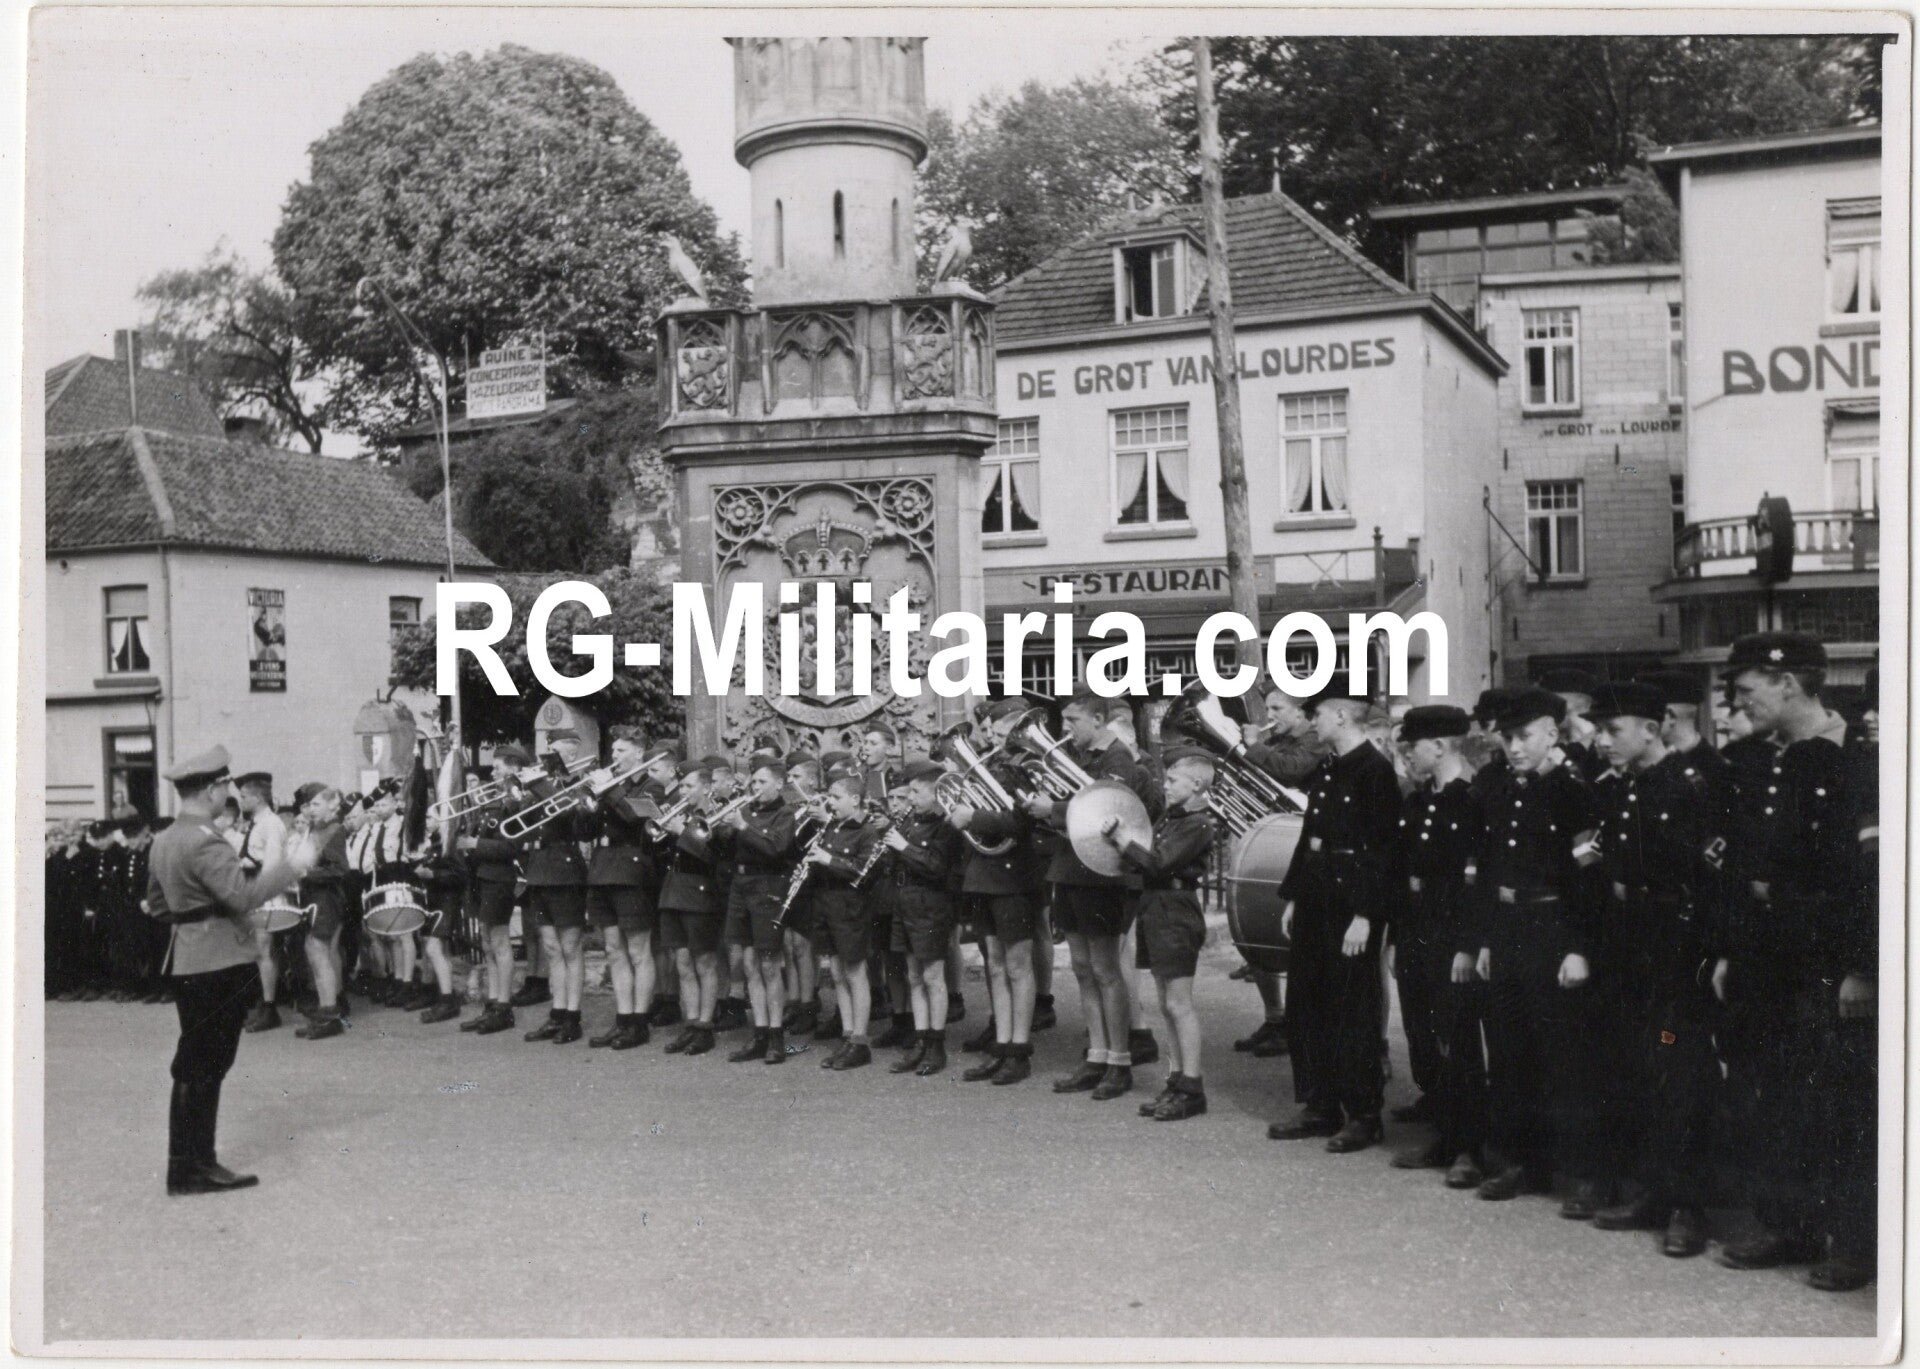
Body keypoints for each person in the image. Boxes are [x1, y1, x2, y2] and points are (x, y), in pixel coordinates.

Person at [1712, 633, 1877, 1291]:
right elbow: (1745, 864)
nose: (1738, 700)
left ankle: (1854, 1241)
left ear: (1787, 683)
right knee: (1776, 1095)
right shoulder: (1763, 761)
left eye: (1747, 688)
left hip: (1828, 961)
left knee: (1840, 1103)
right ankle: (1790, 1223)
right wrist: (1731, 950)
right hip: (1767, 956)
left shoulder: (1858, 759)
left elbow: (1871, 875)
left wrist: (1864, 965)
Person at [1578, 682, 1726, 1257]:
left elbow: (1714, 880)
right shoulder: (1620, 791)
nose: (1602, 741)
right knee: (1638, 1066)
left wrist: (1711, 955)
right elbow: (1597, 860)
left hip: (1676, 954)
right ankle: (1653, 1191)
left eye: (1614, 730)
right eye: (1600, 730)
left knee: (1680, 1070)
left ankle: (1689, 1204)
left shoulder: (1692, 788)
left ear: (1652, 727)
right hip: (1627, 949)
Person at [144, 745, 312, 1193]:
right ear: (213, 789)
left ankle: (188, 1163)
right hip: (220, 960)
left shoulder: (164, 840)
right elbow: (241, 897)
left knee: (194, 1061)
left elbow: (157, 906)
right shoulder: (205, 840)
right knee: (209, 1063)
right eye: (224, 785)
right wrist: (291, 868)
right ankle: (195, 1166)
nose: (227, 792)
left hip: (187, 958)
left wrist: (191, 913)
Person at [1471, 687, 1607, 1210]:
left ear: (1552, 732)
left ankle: (1582, 1170)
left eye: (1523, 735)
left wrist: (1578, 947)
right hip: (1509, 928)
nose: (1514, 746)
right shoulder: (1503, 788)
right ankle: (1526, 1162)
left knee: (1566, 1055)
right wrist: (1485, 938)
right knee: (1511, 1052)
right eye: (1507, 737)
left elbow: (1588, 879)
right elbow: (1491, 869)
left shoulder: (1575, 792)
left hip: (1554, 928)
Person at [1267, 687, 1401, 1153]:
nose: (1313, 722)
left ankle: (1363, 1113)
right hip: (1318, 895)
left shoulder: (1375, 771)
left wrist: (1367, 915)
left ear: (1342, 716)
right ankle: (1320, 1103)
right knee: (1308, 1001)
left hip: (1351, 903)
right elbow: (1311, 835)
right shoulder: (1328, 768)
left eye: (1318, 714)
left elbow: (1384, 851)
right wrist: (1294, 897)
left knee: (1352, 1007)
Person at [1027, 693, 1156, 1101]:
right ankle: (1097, 1054)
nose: (1065, 729)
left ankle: (1119, 1060)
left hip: (1102, 875)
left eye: (1073, 720)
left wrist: (1052, 807)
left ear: (1099, 719)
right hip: (1071, 868)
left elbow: (1107, 811)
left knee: (1105, 969)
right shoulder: (1080, 755)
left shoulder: (1118, 759)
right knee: (1082, 966)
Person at [1387, 705, 1489, 1188]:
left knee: (1459, 1040)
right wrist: (1396, 939)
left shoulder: (1472, 800)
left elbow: (1476, 883)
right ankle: (1444, 1132)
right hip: (1417, 933)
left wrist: (1468, 946)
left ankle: (1468, 1144)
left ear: (1441, 746)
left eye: (1413, 747)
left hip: (1452, 936)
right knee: (1423, 1034)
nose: (1407, 755)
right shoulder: (1417, 802)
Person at [1103, 747, 1216, 1120]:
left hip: (1176, 912)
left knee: (1179, 1004)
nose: (1164, 786)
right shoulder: (1174, 816)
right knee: (1167, 1005)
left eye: (1172, 780)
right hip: (1157, 909)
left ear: (1197, 784)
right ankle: (1178, 1079)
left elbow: (1159, 862)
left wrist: (1122, 840)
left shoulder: (1198, 823)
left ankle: (1192, 1087)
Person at [943, 699, 1045, 1085]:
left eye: (999, 731)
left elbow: (1023, 822)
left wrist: (974, 817)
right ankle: (1001, 1045)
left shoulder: (1026, 768)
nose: (992, 737)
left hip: (1014, 876)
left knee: (1017, 965)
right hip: (983, 875)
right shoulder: (988, 767)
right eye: (990, 731)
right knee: (995, 965)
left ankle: (1019, 1049)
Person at [1233, 688, 1325, 1056]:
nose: (1269, 714)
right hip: (1270, 838)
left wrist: (1254, 747)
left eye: (1277, 708)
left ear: (1300, 711)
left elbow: (1293, 770)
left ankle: (1294, 1024)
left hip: (1297, 841)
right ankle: (1275, 1017)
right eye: (1268, 707)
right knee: (1259, 929)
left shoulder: (1315, 739)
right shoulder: (1276, 740)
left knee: (1292, 937)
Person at [876, 760, 965, 1076]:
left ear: (935, 792)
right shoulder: (910, 822)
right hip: (905, 903)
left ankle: (936, 1045)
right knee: (914, 975)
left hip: (930, 904)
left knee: (931, 976)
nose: (910, 798)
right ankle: (921, 1040)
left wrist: (903, 847)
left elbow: (938, 867)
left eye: (915, 791)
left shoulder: (946, 825)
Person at [583, 732, 664, 1051]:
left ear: (639, 753)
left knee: (638, 950)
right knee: (614, 950)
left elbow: (634, 817)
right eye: (612, 749)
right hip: (602, 870)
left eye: (621, 750)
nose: (613, 755)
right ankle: (623, 1018)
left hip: (632, 873)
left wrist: (609, 788)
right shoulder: (610, 786)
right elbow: (585, 831)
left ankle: (639, 1022)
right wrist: (587, 806)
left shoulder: (651, 786)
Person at [718, 753, 800, 1064]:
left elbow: (776, 848)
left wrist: (742, 826)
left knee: (768, 964)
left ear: (779, 784)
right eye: (754, 781)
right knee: (750, 964)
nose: (756, 787)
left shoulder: (786, 814)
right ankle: (760, 1032)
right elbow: (723, 849)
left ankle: (777, 1035)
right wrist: (722, 827)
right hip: (740, 888)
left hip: (768, 889)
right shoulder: (746, 810)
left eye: (762, 782)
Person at [804, 773, 886, 1070]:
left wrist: (829, 861)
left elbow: (864, 871)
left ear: (855, 799)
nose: (830, 803)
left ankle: (860, 1041)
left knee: (854, 972)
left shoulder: (867, 832)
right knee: (837, 972)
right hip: (827, 906)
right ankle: (848, 1035)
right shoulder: (832, 826)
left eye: (836, 798)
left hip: (851, 909)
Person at [514, 744, 594, 1045]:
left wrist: (539, 785)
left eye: (556, 752)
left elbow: (574, 820)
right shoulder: (541, 788)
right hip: (538, 872)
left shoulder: (579, 785)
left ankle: (573, 1017)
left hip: (564, 872)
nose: (549, 756)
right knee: (551, 948)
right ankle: (557, 1012)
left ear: (572, 755)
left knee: (570, 947)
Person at [658, 762, 724, 1056]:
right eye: (681, 786)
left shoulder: (717, 816)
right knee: (682, 962)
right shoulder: (682, 814)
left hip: (700, 894)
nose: (682, 792)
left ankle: (705, 1027)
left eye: (688, 786)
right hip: (674, 891)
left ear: (707, 788)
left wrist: (681, 832)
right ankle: (691, 1022)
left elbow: (713, 858)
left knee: (704, 962)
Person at [458, 758, 525, 1035]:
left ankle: (504, 1007)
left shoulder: (514, 800)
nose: (493, 772)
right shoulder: (492, 799)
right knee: (486, 942)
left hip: (498, 878)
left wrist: (475, 844)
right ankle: (493, 1001)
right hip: (481, 877)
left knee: (498, 941)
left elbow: (512, 847)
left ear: (512, 768)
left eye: (498, 767)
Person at [292, 786, 354, 1040]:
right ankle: (327, 1007)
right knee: (317, 951)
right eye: (309, 805)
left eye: (316, 804)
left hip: (326, 898)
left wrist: (308, 875)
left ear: (332, 806)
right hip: (316, 896)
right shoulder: (316, 829)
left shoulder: (334, 830)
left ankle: (329, 1014)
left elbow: (340, 869)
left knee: (318, 950)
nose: (310, 809)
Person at [231, 773, 288, 1033]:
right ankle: (262, 1003)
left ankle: (270, 1006)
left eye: (243, 796)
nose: (240, 801)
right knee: (258, 951)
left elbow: (273, 865)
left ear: (256, 797)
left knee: (265, 950)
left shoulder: (271, 824)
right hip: (253, 891)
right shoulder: (256, 823)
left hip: (265, 893)